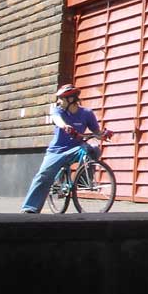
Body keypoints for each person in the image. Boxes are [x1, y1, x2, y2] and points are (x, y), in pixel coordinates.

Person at [21, 84, 112, 213]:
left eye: (61, 99)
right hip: (57, 151)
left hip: (76, 149)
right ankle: (30, 208)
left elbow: (96, 132)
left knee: (93, 149)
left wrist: (103, 134)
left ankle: (83, 180)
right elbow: (57, 119)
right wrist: (65, 126)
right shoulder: (58, 110)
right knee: (43, 176)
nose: (59, 101)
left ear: (71, 99)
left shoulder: (87, 113)